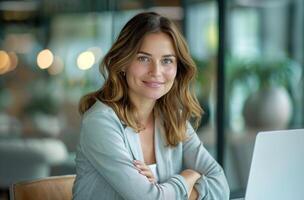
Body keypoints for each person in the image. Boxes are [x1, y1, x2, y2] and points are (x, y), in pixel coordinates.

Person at [72, 12, 230, 200]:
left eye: (167, 60)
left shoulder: (172, 117)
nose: (156, 71)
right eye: (143, 58)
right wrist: (188, 177)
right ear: (123, 62)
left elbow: (221, 187)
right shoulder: (101, 122)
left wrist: (164, 189)